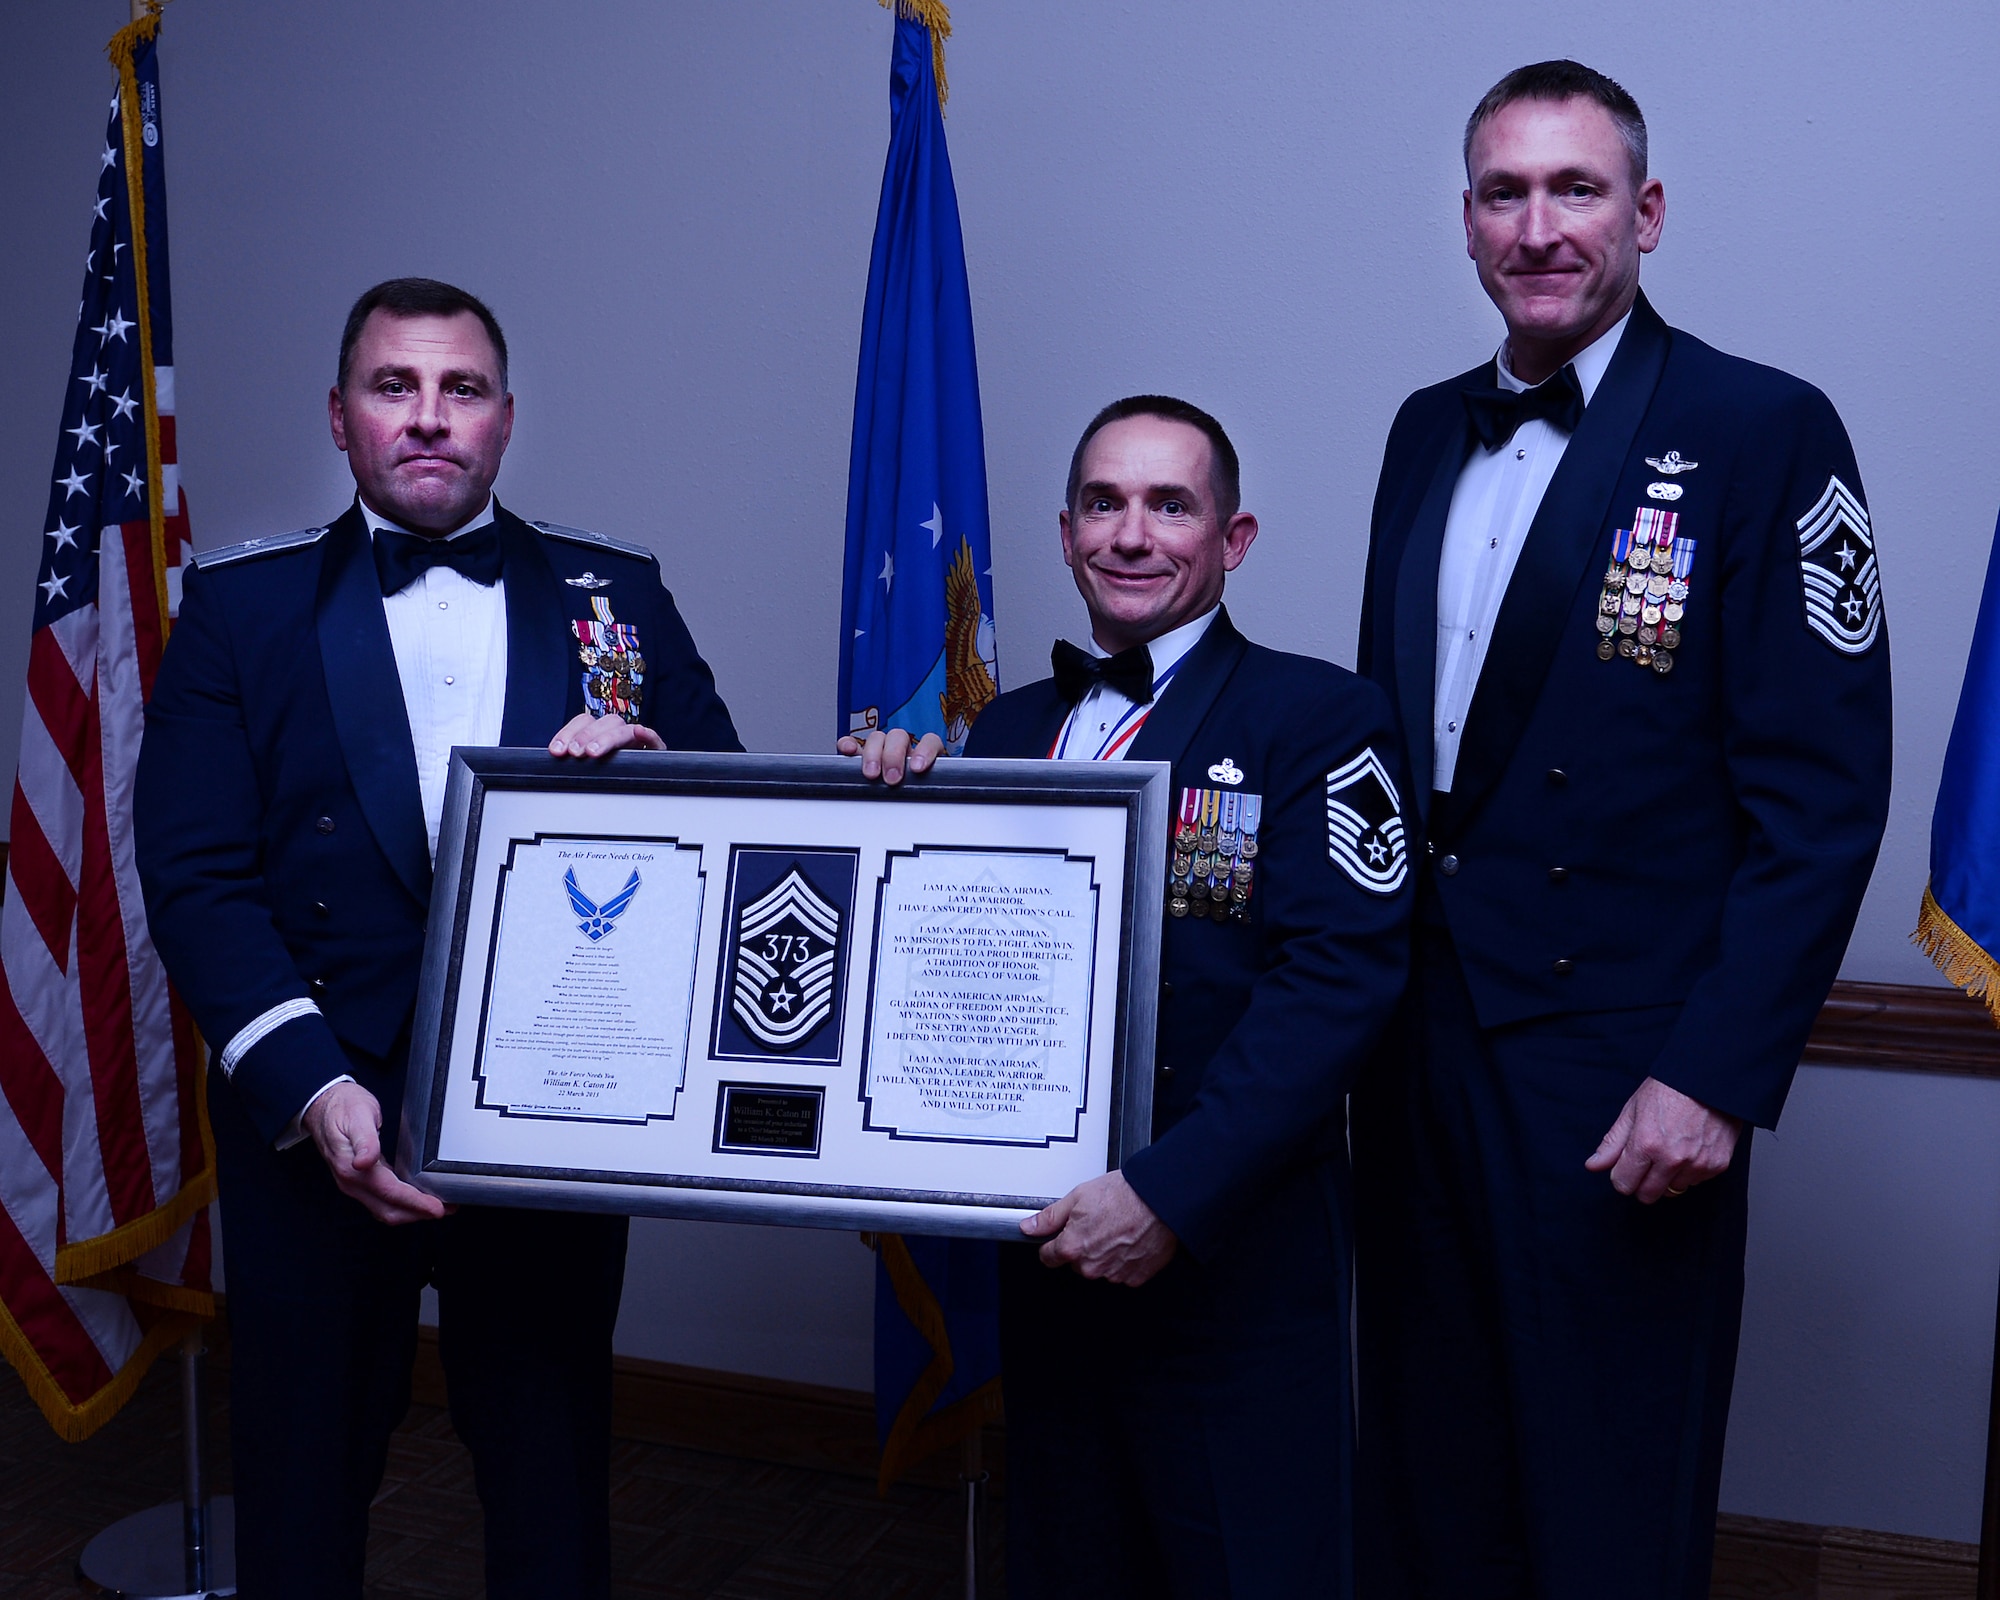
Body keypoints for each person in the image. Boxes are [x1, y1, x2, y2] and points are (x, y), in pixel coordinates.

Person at [1350, 62, 1893, 1599]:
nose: (1539, 226)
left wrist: (1712, 1077)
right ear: (1467, 224)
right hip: (1420, 1041)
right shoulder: (1420, 432)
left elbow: (1825, 794)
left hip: (1623, 1062)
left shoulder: (1762, 428)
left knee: (1605, 1490)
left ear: (1644, 214)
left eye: (1575, 190)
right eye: (1506, 194)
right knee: (1427, 1473)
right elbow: (1403, 758)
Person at [134, 277, 742, 1599]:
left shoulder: (615, 595)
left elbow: (735, 828)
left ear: (506, 420)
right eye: (393, 387)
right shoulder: (242, 606)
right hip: (316, 1100)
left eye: (459, 389)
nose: (428, 417)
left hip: (548, 1115)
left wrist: (649, 776)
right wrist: (312, 1090)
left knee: (550, 1480)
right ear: (342, 418)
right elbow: (193, 873)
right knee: (300, 1487)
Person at [851, 395, 1414, 1597]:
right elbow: (943, 975)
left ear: (1233, 538)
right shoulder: (999, 729)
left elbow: (1337, 985)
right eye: (1103, 503)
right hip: (1049, 1266)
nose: (1131, 533)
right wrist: (882, 813)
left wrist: (1162, 1196)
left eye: (1170, 504)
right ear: (1063, 532)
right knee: (1069, 1564)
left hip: (1229, 1268)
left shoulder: (1318, 717)